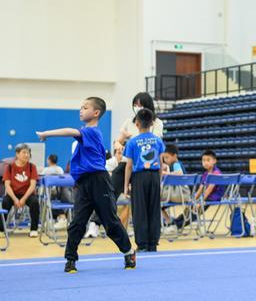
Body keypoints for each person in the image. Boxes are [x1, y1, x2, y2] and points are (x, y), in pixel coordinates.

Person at [36, 97, 135, 273]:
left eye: (85, 107)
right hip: (83, 183)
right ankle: (70, 259)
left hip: (99, 181)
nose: (81, 110)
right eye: (81, 107)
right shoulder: (85, 132)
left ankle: (128, 252)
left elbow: (68, 131)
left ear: (96, 113)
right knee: (77, 223)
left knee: (110, 222)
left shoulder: (92, 132)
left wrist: (46, 134)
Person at [124, 108, 164, 252]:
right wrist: (159, 181)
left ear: (137, 124)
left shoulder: (132, 142)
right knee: (154, 210)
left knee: (139, 210)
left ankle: (142, 244)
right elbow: (161, 163)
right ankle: (153, 243)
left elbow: (129, 166)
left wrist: (126, 186)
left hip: (139, 178)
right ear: (152, 123)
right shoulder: (158, 140)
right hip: (154, 176)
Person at [174, 149, 222, 231]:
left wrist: (200, 202)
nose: (205, 162)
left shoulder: (216, 173)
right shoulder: (205, 173)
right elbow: (200, 188)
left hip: (213, 197)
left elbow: (208, 191)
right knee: (190, 207)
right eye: (203, 160)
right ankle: (174, 222)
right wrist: (193, 200)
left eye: (208, 160)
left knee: (196, 210)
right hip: (206, 196)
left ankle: (177, 226)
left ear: (214, 161)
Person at [0, 144, 40, 237]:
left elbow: (32, 185)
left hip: (27, 194)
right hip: (13, 194)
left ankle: (34, 229)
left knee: (35, 202)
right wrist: (15, 199)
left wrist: (24, 199)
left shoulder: (32, 167)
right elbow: (7, 186)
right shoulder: (10, 167)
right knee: (5, 202)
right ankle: (1, 230)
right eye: (24, 152)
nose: (27, 155)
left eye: (28, 153)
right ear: (17, 154)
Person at [43, 153, 73, 231]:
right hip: (60, 193)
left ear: (49, 160)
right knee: (51, 200)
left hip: (51, 193)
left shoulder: (45, 170)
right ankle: (55, 218)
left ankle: (60, 218)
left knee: (49, 199)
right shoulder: (60, 169)